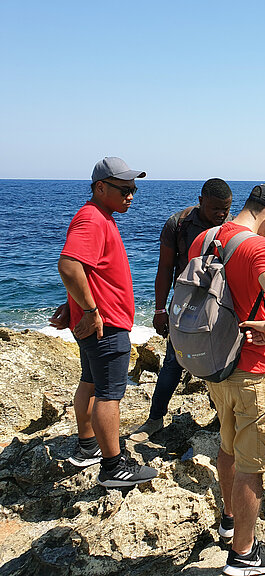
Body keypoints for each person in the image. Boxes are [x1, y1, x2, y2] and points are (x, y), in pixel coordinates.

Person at [189, 183, 265, 575]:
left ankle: (229, 521)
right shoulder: (258, 247)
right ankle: (244, 555)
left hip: (216, 363)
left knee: (228, 446)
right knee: (253, 464)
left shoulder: (204, 239)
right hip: (254, 369)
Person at [50, 157, 157, 487]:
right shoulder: (93, 220)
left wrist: (75, 306)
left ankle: (88, 446)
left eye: (134, 190)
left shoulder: (99, 216)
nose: (131, 196)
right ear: (100, 187)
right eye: (124, 189)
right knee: (110, 394)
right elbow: (68, 266)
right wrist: (91, 310)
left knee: (91, 381)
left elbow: (86, 271)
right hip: (105, 324)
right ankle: (113, 467)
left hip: (96, 321)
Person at [132, 178, 233, 440]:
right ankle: (155, 419)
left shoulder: (231, 227)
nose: (222, 215)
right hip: (185, 304)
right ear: (201, 202)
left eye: (227, 208)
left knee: (220, 363)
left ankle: (222, 420)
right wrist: (159, 310)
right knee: (173, 362)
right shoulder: (179, 224)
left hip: (221, 306)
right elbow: (164, 268)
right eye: (216, 209)